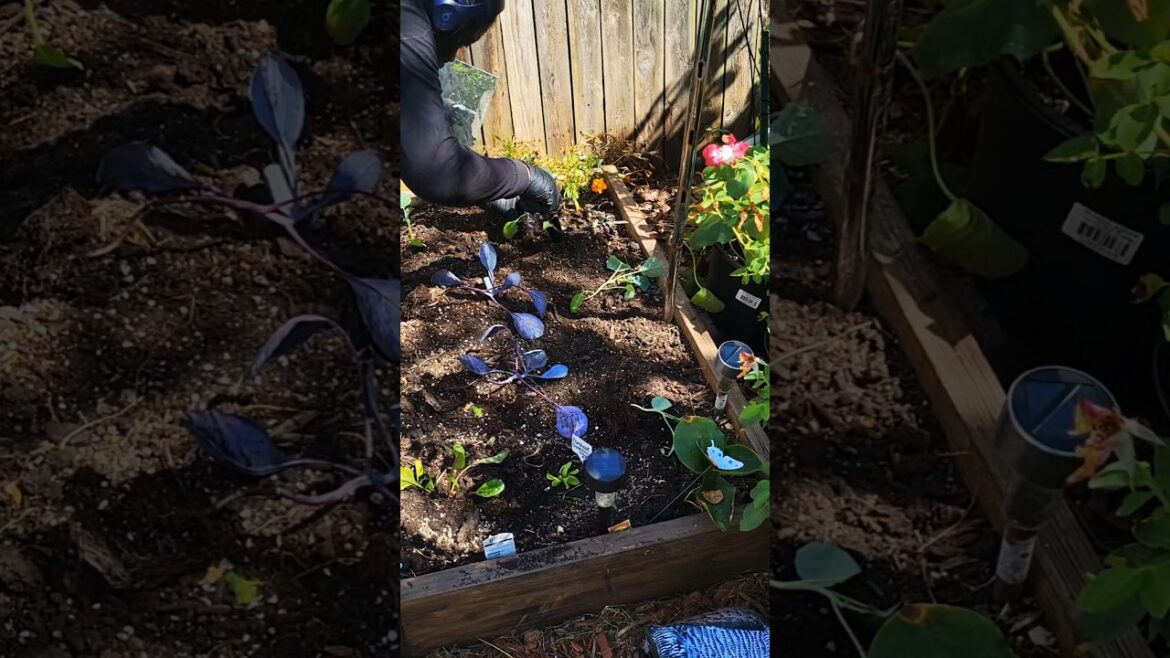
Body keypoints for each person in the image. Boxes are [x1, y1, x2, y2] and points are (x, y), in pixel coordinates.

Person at [400, 0, 562, 235]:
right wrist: (526, 176)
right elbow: (440, 172)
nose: (452, 55)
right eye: (460, 40)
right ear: (446, 14)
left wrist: (486, 191)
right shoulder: (406, 26)